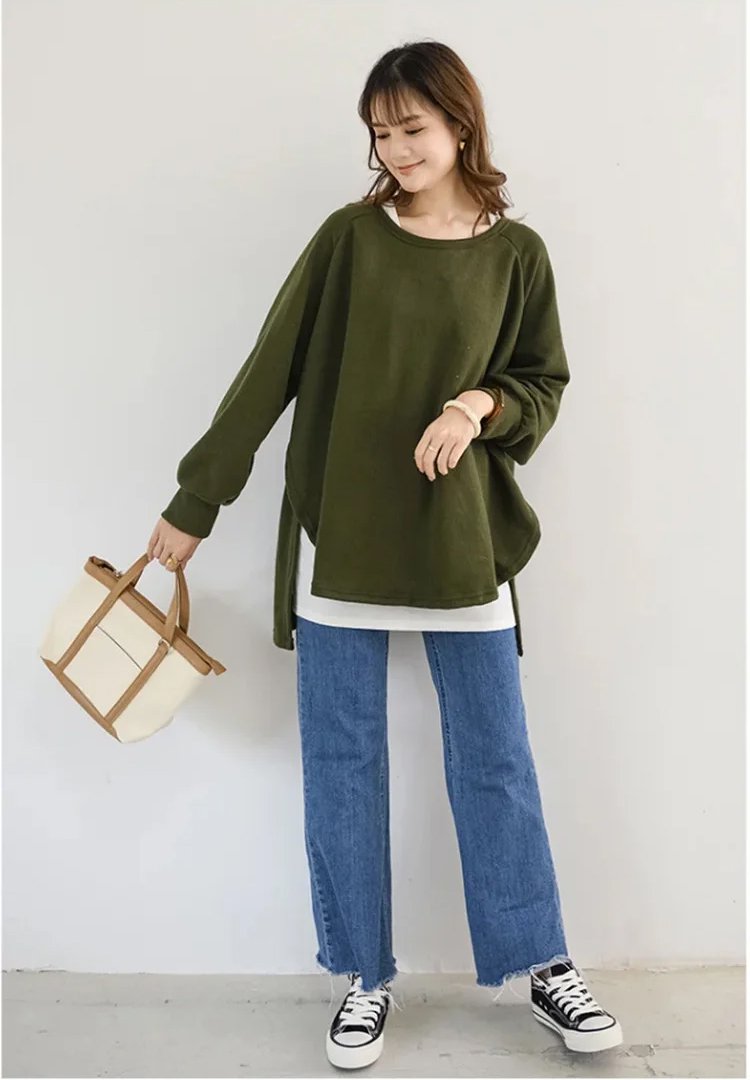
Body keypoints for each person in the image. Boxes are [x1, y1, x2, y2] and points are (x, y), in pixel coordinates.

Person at [147, 39, 623, 1071]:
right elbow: (267, 371)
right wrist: (197, 500)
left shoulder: (516, 254)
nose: (397, 149)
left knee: (496, 758)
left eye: (413, 127)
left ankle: (542, 962)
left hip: (462, 540)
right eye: (380, 132)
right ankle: (363, 974)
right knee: (342, 762)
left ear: (459, 123)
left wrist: (476, 403)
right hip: (344, 538)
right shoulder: (349, 240)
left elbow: (542, 381)